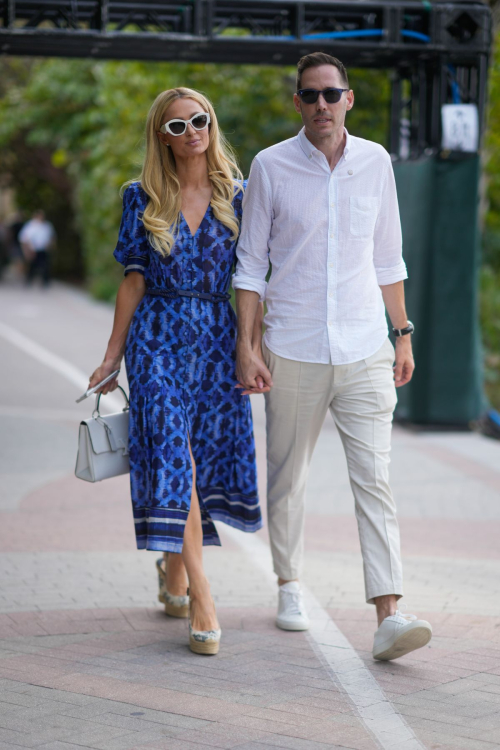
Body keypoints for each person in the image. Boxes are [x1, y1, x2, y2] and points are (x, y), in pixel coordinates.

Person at [233, 52, 432, 661]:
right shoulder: (270, 166)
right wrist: (247, 346)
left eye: (332, 93)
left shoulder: (376, 162)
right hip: (290, 346)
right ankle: (290, 584)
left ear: (349, 99)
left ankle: (389, 615)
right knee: (288, 477)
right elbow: (250, 266)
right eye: (310, 95)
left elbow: (387, 258)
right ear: (298, 103)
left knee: (375, 480)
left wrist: (402, 334)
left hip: (366, 345)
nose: (321, 104)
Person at [89, 87, 262, 655]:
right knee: (172, 454)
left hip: (216, 341)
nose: (192, 131)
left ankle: (173, 568)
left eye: (200, 120)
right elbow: (133, 279)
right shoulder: (141, 196)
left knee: (198, 459)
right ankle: (204, 597)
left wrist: (249, 346)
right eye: (178, 126)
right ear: (161, 137)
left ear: (212, 123)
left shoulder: (240, 196)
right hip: (157, 341)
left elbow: (251, 282)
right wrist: (113, 356)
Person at [19, 209, 55, 286]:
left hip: (44, 249)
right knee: (32, 267)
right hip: (33, 250)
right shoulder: (30, 226)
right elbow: (24, 239)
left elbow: (52, 237)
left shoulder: (47, 226)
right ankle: (29, 281)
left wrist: (50, 246)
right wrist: (26, 251)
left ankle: (45, 282)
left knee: (45, 266)